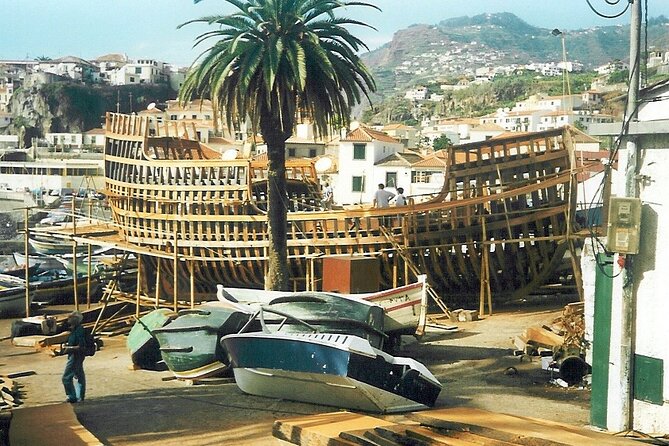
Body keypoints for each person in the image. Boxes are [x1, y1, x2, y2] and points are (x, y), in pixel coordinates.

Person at [59, 311, 86, 403]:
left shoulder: (79, 331)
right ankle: (80, 396)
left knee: (66, 378)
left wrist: (68, 348)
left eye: (70, 317)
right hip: (76, 355)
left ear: (76, 319)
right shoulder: (74, 329)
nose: (68, 319)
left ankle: (72, 396)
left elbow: (81, 345)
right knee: (79, 375)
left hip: (76, 355)